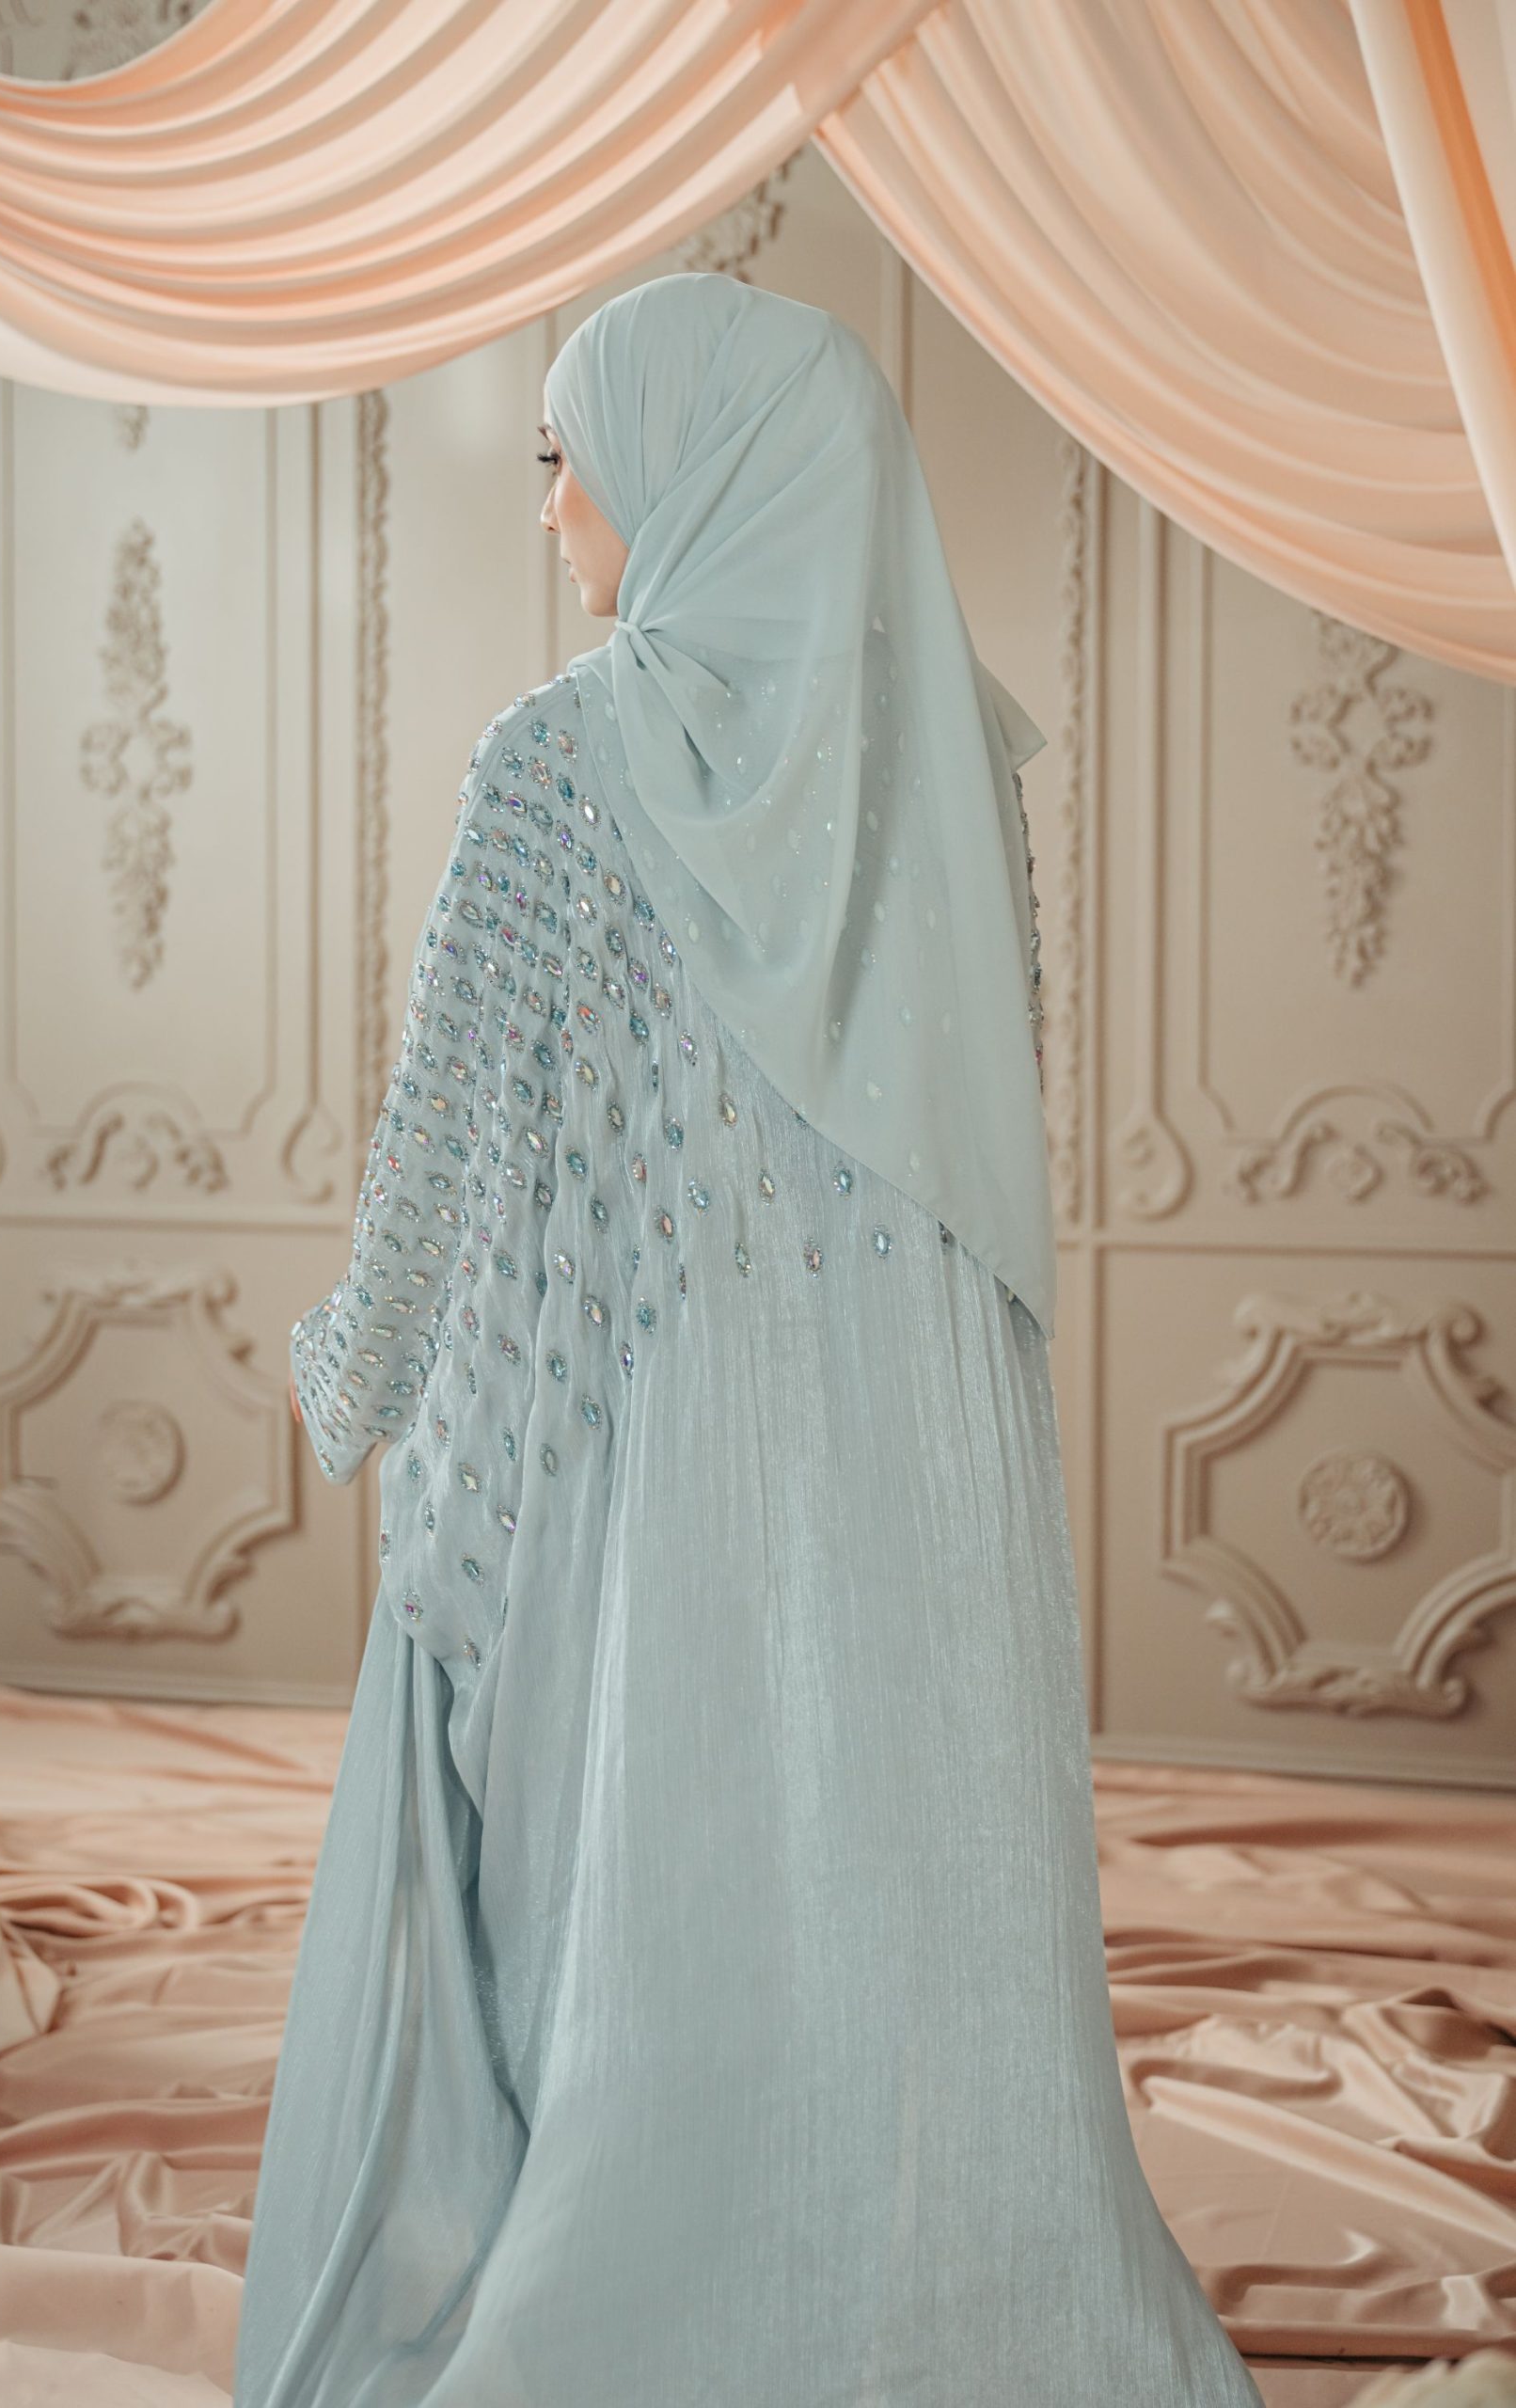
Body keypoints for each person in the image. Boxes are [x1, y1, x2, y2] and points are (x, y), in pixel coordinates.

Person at [235, 273, 1265, 2408]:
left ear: (689, 466)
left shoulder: (554, 760)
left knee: (653, 1870)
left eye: (565, 459)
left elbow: (441, 1138)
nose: (545, 508)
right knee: (881, 1867)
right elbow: (990, 1109)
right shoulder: (951, 759)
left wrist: (352, 1372)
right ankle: (899, 2282)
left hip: (646, 1443)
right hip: (912, 1442)